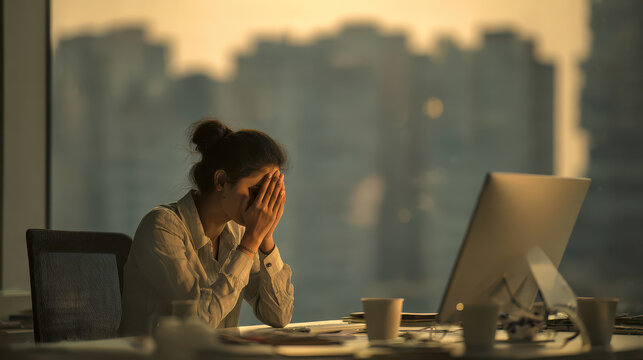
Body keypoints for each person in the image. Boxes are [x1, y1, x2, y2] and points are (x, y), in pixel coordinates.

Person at [119, 117, 294, 335]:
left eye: (270, 193)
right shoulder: (162, 227)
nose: (262, 204)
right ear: (221, 181)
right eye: (257, 191)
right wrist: (249, 246)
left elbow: (279, 315)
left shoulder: (239, 232)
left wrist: (265, 237)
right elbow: (196, 324)